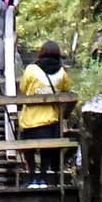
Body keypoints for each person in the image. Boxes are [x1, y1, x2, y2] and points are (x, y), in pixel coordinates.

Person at [13, 37, 69, 182]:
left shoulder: (31, 70)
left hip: (31, 119)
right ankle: (43, 177)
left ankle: (32, 178)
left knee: (29, 150)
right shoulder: (62, 72)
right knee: (47, 151)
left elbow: (23, 88)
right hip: (51, 119)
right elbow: (66, 90)